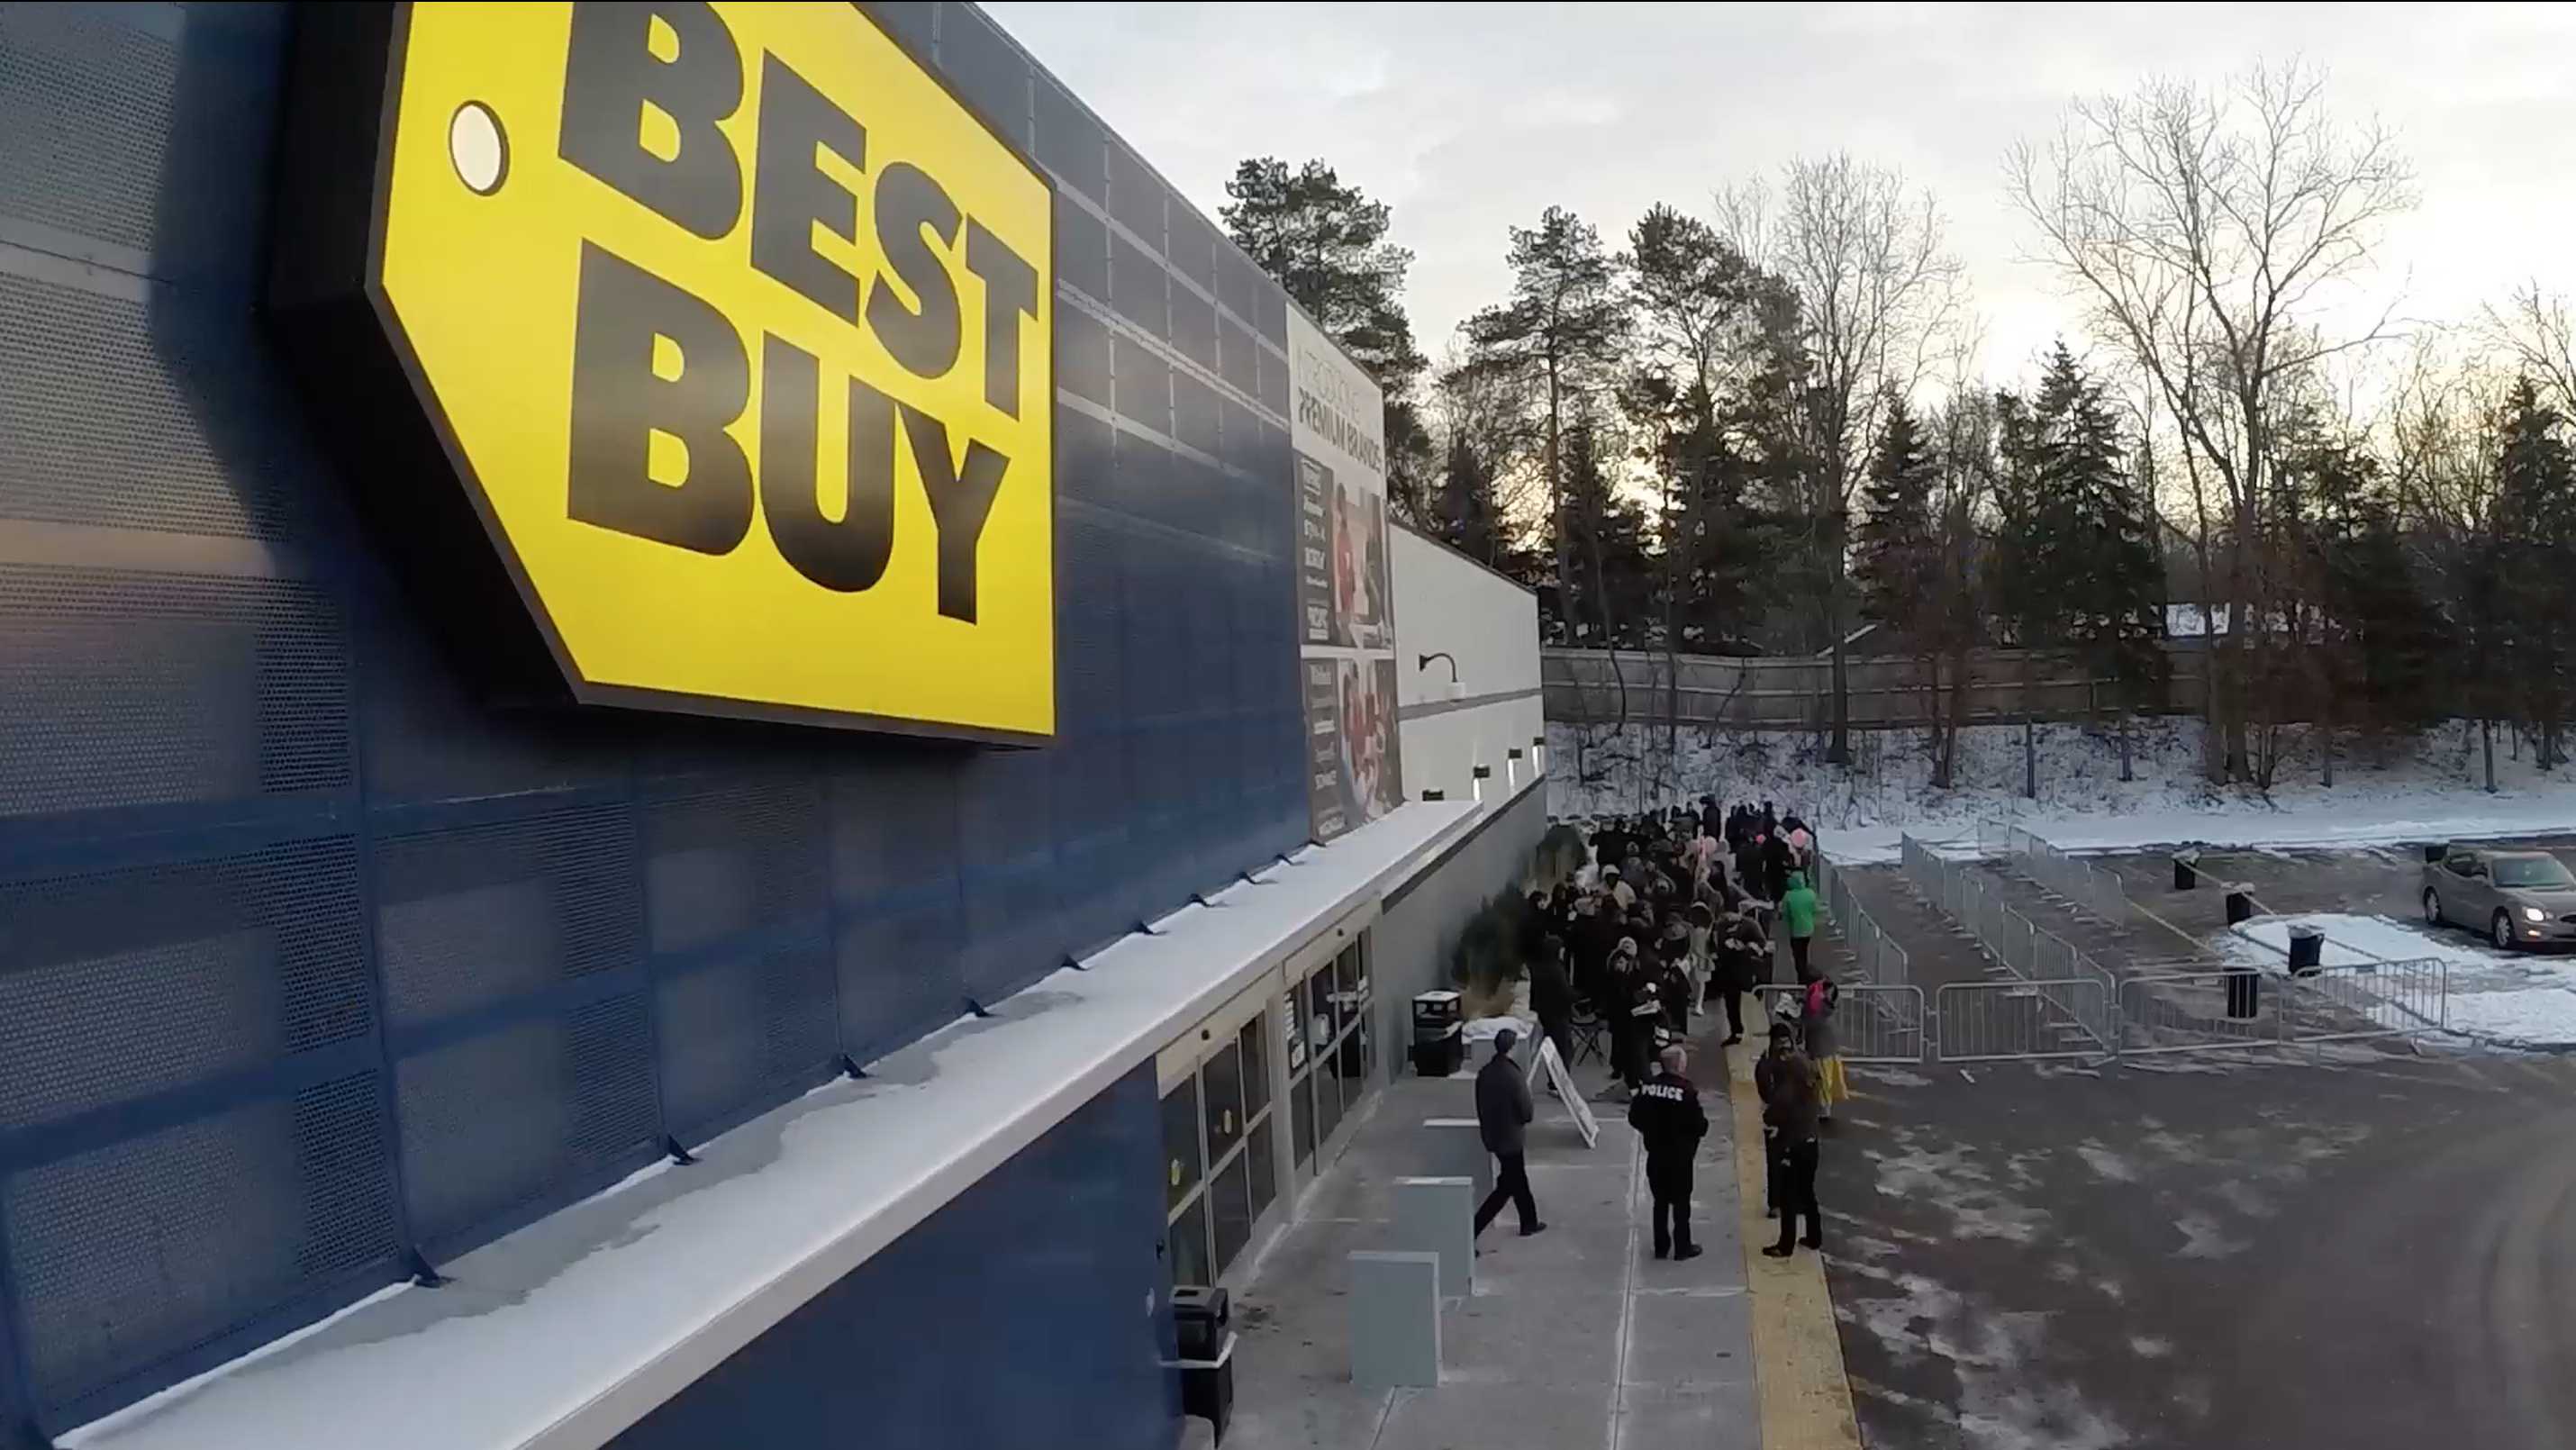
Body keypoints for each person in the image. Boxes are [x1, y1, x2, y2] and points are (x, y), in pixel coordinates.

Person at [1627, 1044, 1710, 1260]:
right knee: (1681, 1202)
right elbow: (1700, 1125)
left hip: (1656, 1153)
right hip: (1680, 1156)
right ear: (1678, 1065)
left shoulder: (1648, 1088)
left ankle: (1661, 1245)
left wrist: (1651, 1131)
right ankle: (1683, 1246)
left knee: (1660, 1201)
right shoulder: (1686, 1091)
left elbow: (1634, 1117)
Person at [1472, 1029, 1546, 1238]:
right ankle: (1472, 1230)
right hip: (1511, 1138)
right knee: (1507, 1187)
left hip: (1493, 1137)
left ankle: (1529, 1221)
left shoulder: (1485, 1073)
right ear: (1512, 1048)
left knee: (1516, 1180)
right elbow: (1526, 1112)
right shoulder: (1513, 1075)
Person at [1756, 1025, 1823, 1256]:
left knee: (1788, 1196)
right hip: (1811, 1142)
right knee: (1807, 1192)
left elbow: (1771, 1112)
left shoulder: (1787, 1090)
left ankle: (1785, 1245)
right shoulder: (1811, 1081)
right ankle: (1814, 1237)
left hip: (1791, 1145)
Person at [1715, 907, 1769, 1044]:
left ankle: (1753, 1032)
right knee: (1731, 1004)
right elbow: (1716, 946)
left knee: (1750, 1001)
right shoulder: (1720, 926)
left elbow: (1761, 943)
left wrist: (1746, 947)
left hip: (1747, 968)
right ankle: (1736, 1032)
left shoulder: (1750, 925)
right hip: (1728, 970)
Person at [1805, 975, 1846, 1125]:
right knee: (1825, 1078)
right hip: (1827, 1046)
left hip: (1821, 1047)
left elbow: (1811, 1022)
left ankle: (1824, 1110)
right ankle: (1824, 1107)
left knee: (1822, 1079)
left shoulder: (1819, 1004)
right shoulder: (1828, 1001)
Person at [1530, 933, 1574, 1072]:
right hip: (1558, 1014)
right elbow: (1565, 993)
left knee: (1553, 1048)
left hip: (1545, 1014)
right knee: (1563, 1049)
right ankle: (1560, 1080)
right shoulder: (1557, 970)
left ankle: (1553, 1079)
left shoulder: (1538, 968)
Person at [1781, 869, 1819, 982]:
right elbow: (1814, 909)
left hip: (1795, 931)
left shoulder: (1788, 895)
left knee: (1798, 956)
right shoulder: (1810, 893)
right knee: (1804, 953)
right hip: (1808, 929)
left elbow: (1784, 913)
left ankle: (1802, 978)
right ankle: (1806, 977)